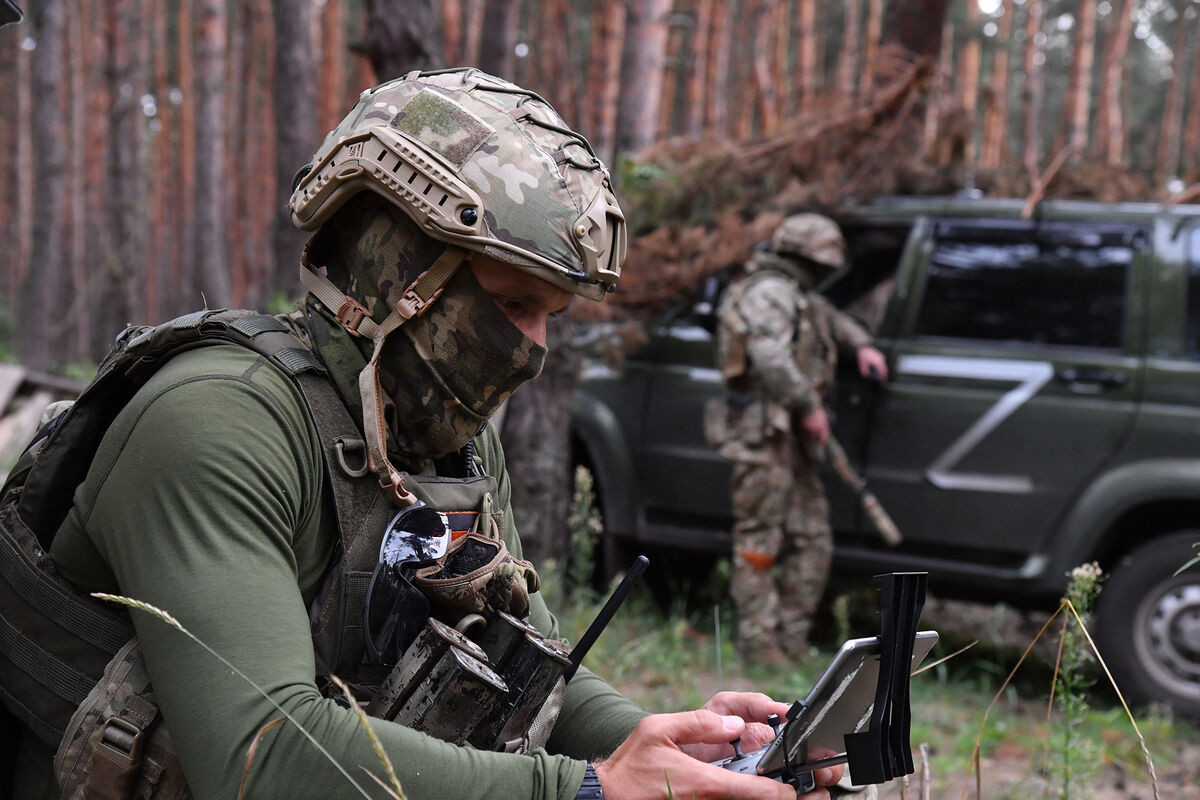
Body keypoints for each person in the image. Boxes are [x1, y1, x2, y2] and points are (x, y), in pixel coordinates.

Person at [4, 70, 843, 800]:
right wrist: (587, 789)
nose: (535, 352)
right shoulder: (218, 419)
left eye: (551, 317)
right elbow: (258, 756)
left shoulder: (448, 444)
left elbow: (528, 660)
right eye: (514, 304)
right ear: (401, 276)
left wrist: (665, 744)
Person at [708, 213, 889, 664]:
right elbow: (767, 354)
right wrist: (808, 405)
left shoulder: (795, 294)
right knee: (759, 539)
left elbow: (827, 317)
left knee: (811, 539)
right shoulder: (770, 292)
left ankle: (791, 639)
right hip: (764, 435)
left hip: (791, 443)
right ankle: (758, 644)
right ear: (804, 258)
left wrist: (861, 343)